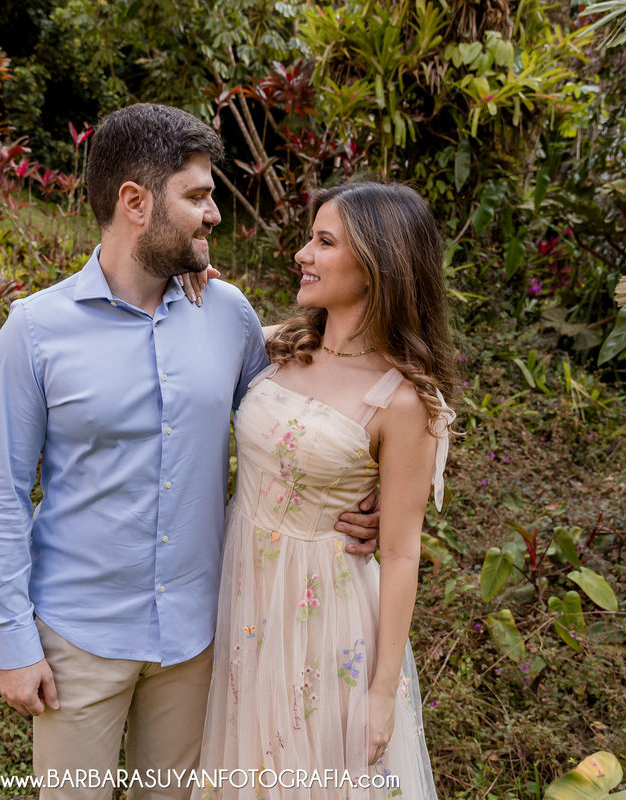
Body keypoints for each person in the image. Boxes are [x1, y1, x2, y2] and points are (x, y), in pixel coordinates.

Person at [0, 103, 382, 800]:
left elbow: (286, 431)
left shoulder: (228, 314)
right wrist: (12, 640)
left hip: (199, 638)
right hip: (77, 640)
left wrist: (358, 496)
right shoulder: (35, 331)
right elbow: (3, 492)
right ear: (135, 203)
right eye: (197, 196)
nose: (214, 213)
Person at [191, 182, 456, 799]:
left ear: (377, 266)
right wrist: (193, 284)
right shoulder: (280, 346)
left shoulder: (403, 401)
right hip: (242, 591)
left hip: (322, 613)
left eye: (324, 242)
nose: (302, 254)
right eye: (310, 238)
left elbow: (401, 552)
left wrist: (381, 693)